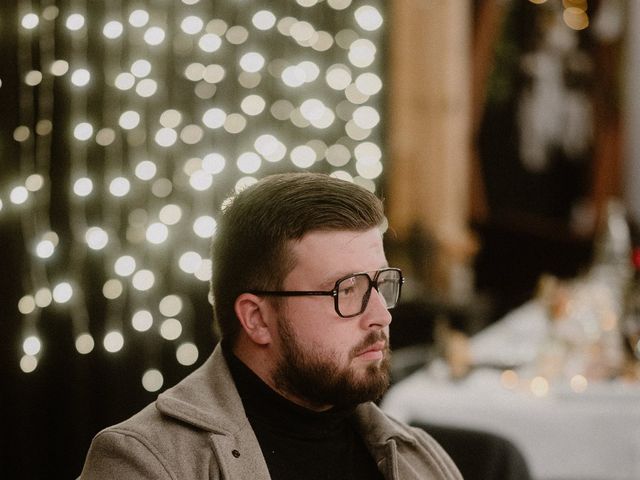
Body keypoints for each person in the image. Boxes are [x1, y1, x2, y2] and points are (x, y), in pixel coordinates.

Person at [79, 172, 462, 479]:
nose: (381, 315)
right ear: (257, 319)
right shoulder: (146, 463)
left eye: (381, 284)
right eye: (347, 290)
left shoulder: (417, 457)